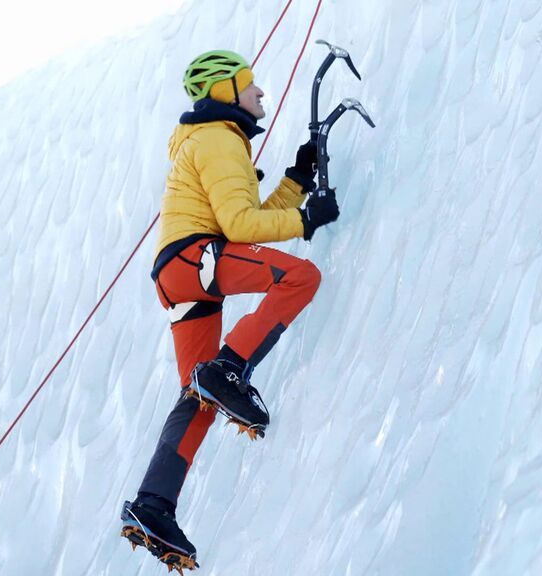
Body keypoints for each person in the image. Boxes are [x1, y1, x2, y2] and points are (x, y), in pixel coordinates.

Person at [120, 49, 340, 570]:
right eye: (250, 84)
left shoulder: (212, 139)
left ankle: (154, 504)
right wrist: (306, 222)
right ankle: (229, 368)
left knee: (195, 397)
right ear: (224, 91)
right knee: (300, 276)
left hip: (182, 273)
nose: (260, 92)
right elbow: (241, 228)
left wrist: (296, 181)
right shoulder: (219, 138)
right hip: (198, 258)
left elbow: (246, 220)